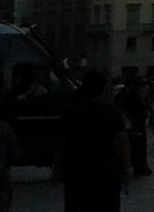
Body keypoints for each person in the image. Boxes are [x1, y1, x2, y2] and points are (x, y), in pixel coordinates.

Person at [53, 71, 130, 212]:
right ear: (103, 89)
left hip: (76, 170)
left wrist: (57, 168)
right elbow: (122, 140)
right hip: (106, 169)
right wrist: (127, 166)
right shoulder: (112, 112)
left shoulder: (71, 111)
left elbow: (62, 143)